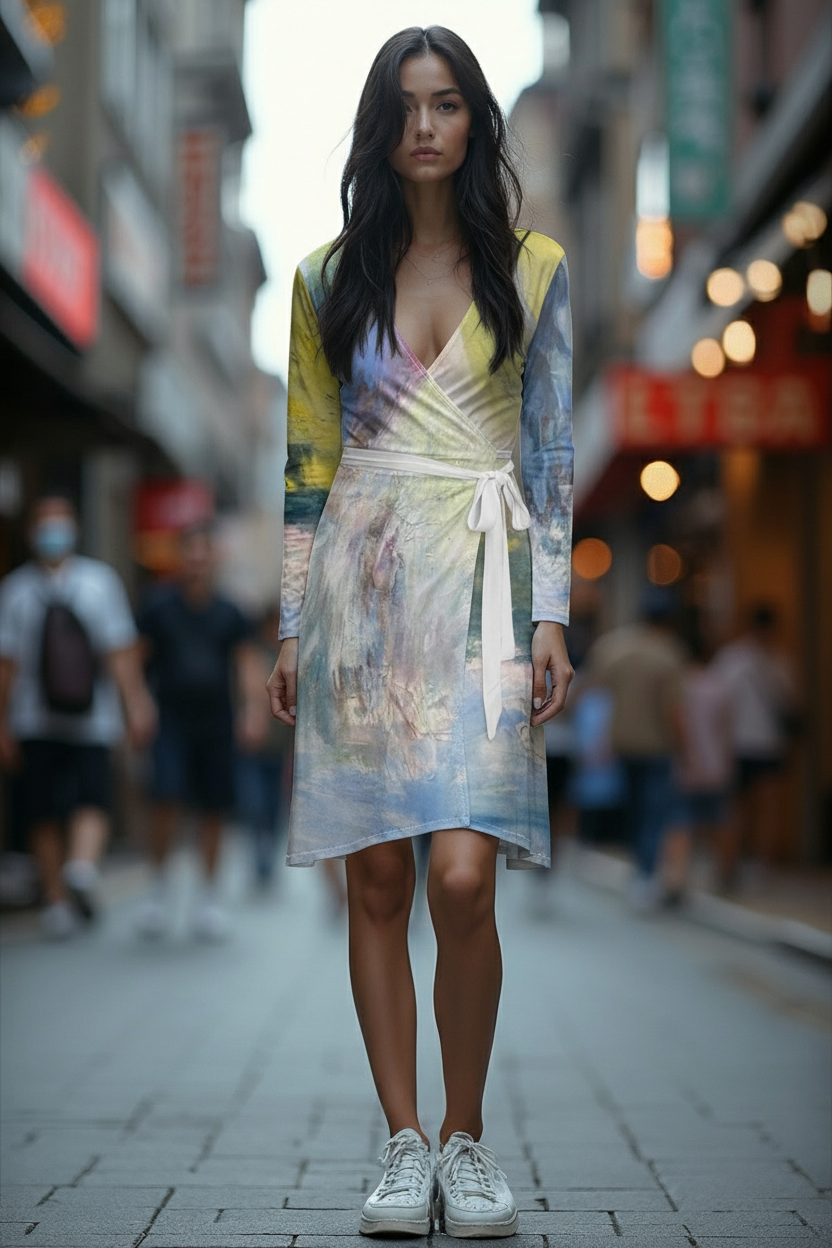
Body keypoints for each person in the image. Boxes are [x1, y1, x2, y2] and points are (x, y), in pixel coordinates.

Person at [266, 27, 573, 1240]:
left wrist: (551, 614)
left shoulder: (536, 269)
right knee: (380, 875)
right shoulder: (320, 281)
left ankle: (467, 1136)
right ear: (377, 128)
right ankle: (403, 1145)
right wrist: (293, 625)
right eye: (407, 107)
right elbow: (304, 466)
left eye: (448, 104)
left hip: (490, 588)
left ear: (474, 120)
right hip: (363, 588)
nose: (428, 127)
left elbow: (549, 457)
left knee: (461, 876)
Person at [0, 492, 156, 938]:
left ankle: (80, 869)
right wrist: (3, 723)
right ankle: (56, 901)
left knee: (94, 797)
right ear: (31, 533)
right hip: (33, 720)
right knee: (42, 810)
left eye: (60, 522)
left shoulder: (99, 582)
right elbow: (6, 666)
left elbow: (120, 654)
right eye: (44, 524)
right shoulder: (13, 591)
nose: (53, 533)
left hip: (94, 718)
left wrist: (136, 705)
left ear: (75, 528)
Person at [136, 522, 268, 940]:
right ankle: (158, 890)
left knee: (214, 808)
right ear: (180, 557)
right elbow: (135, 660)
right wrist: (137, 705)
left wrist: (253, 712)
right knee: (166, 796)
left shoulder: (231, 612)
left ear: (214, 559)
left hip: (217, 722)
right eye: (189, 554)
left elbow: (247, 665)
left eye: (203, 554)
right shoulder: (157, 606)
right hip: (170, 720)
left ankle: (208, 898)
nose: (196, 562)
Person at [586, 588, 686, 910]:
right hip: (657, 744)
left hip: (622, 741)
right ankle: (646, 874)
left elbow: (597, 697)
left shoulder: (614, 647)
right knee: (654, 812)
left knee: (633, 809)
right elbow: (673, 710)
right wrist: (685, 746)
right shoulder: (669, 653)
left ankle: (639, 873)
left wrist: (602, 738)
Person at [712, 603, 797, 886]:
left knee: (738, 806)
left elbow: (719, 703)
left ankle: (733, 862)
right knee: (766, 806)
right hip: (767, 742)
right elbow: (791, 702)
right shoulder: (780, 660)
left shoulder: (732, 658)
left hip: (738, 742)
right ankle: (759, 864)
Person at [661, 631, 734, 903]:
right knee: (720, 820)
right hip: (716, 765)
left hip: (685, 765)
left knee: (680, 821)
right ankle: (726, 875)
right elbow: (728, 729)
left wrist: (685, 754)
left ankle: (676, 879)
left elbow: (674, 722)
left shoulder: (679, 684)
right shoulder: (720, 685)